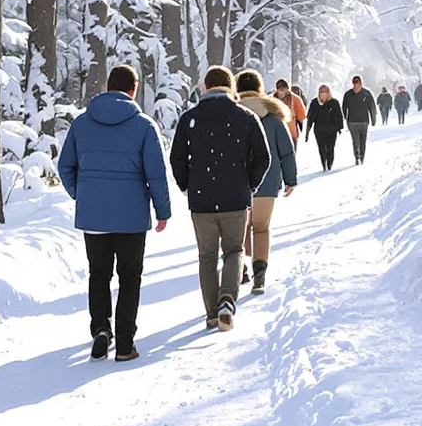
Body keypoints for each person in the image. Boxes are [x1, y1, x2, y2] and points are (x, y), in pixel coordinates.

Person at [56, 63, 171, 362]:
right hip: (131, 217)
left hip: (94, 216)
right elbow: (156, 173)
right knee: (130, 277)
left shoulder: (81, 124)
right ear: (133, 89)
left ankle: (100, 330)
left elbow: (65, 166)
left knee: (99, 274)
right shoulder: (144, 125)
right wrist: (163, 211)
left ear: (108, 86)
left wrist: (82, 194)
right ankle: (124, 344)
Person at [170, 64, 272, 331]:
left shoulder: (189, 118)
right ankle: (228, 297)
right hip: (235, 197)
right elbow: (263, 157)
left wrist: (187, 186)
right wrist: (249, 184)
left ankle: (212, 313)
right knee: (234, 250)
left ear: (205, 87)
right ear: (231, 87)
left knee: (206, 256)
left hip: (202, 199)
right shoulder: (246, 117)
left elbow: (177, 158)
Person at [236, 70, 299, 293]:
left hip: (237, 183)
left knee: (240, 229)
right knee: (261, 228)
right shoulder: (272, 118)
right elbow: (286, 151)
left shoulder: (231, 116)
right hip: (268, 180)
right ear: (260, 88)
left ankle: (240, 269)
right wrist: (290, 179)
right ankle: (260, 273)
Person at [308, 83, 343, 171]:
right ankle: (323, 162)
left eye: (325, 92)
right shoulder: (314, 103)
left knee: (330, 147)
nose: (323, 94)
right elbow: (310, 117)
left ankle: (329, 163)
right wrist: (307, 130)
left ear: (329, 93)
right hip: (319, 130)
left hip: (332, 129)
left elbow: (339, 115)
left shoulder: (334, 102)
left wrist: (340, 127)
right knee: (321, 148)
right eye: (321, 92)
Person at [342, 75, 375, 164]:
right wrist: (345, 116)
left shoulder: (367, 94)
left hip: (364, 121)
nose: (356, 85)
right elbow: (344, 107)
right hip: (352, 122)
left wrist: (373, 119)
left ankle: (362, 156)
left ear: (360, 83)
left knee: (362, 140)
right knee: (355, 140)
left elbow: (372, 106)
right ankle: (357, 156)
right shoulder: (348, 94)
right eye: (354, 83)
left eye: (357, 83)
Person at [281, 78, 307, 146]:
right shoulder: (296, 99)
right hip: (291, 132)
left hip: (275, 133)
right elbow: (302, 116)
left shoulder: (272, 99)